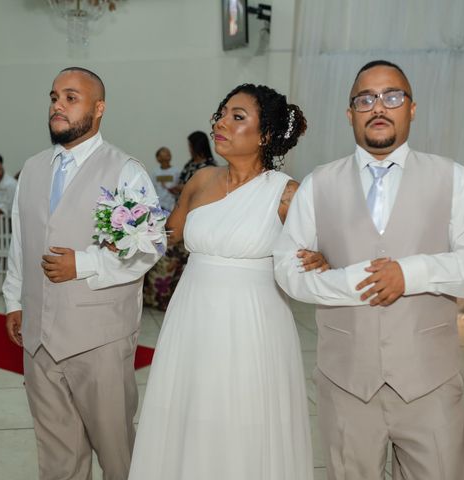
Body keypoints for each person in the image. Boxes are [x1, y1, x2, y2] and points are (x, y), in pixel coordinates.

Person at [274, 60, 464, 480]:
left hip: (428, 380)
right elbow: (288, 269)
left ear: (411, 108)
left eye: (392, 97)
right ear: (350, 113)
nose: (379, 107)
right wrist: (353, 280)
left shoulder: (453, 177)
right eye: (366, 99)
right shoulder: (319, 184)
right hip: (346, 381)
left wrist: (408, 274)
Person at [129, 84, 323, 480]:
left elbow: (317, 254)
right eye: (221, 113)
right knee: (189, 407)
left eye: (238, 117)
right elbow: (167, 236)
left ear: (265, 134)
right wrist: (124, 227)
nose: (221, 123)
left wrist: (322, 258)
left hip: (253, 320)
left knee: (243, 413)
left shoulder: (287, 195)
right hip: (192, 314)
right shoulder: (200, 180)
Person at [2, 67, 161, 480]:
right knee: (57, 454)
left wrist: (85, 263)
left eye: (71, 98)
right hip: (39, 338)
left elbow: (150, 247)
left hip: (100, 338)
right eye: (54, 96)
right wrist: (15, 300)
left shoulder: (126, 170)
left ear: (99, 108)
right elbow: (22, 241)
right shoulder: (33, 168)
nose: (57, 105)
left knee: (116, 453)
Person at [143, 134, 215, 310]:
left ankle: (173, 298)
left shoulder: (210, 168)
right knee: (166, 255)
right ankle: (159, 297)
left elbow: (207, 193)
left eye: (190, 145)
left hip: (196, 219)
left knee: (179, 260)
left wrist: (184, 190)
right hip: (180, 214)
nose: (189, 149)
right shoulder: (190, 165)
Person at [150, 146, 179, 213]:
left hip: (172, 206)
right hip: (158, 206)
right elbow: (152, 188)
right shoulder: (155, 172)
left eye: (168, 153)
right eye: (164, 152)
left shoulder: (176, 171)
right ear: (158, 158)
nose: (167, 155)